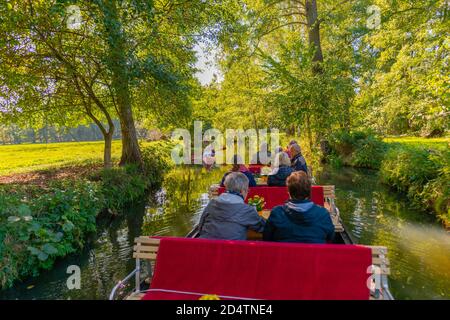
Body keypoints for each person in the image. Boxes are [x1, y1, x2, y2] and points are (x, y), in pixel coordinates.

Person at [263, 171, 334, 243]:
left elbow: (266, 239)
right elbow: (330, 239)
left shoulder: (277, 213)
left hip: (285, 253)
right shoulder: (323, 214)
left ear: (289, 191)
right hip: (313, 253)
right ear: (309, 190)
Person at [198, 172, 266, 240]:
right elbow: (264, 228)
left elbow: (200, 228)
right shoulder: (247, 210)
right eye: (247, 190)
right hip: (232, 249)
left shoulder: (211, 204)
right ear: (243, 191)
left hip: (205, 248)